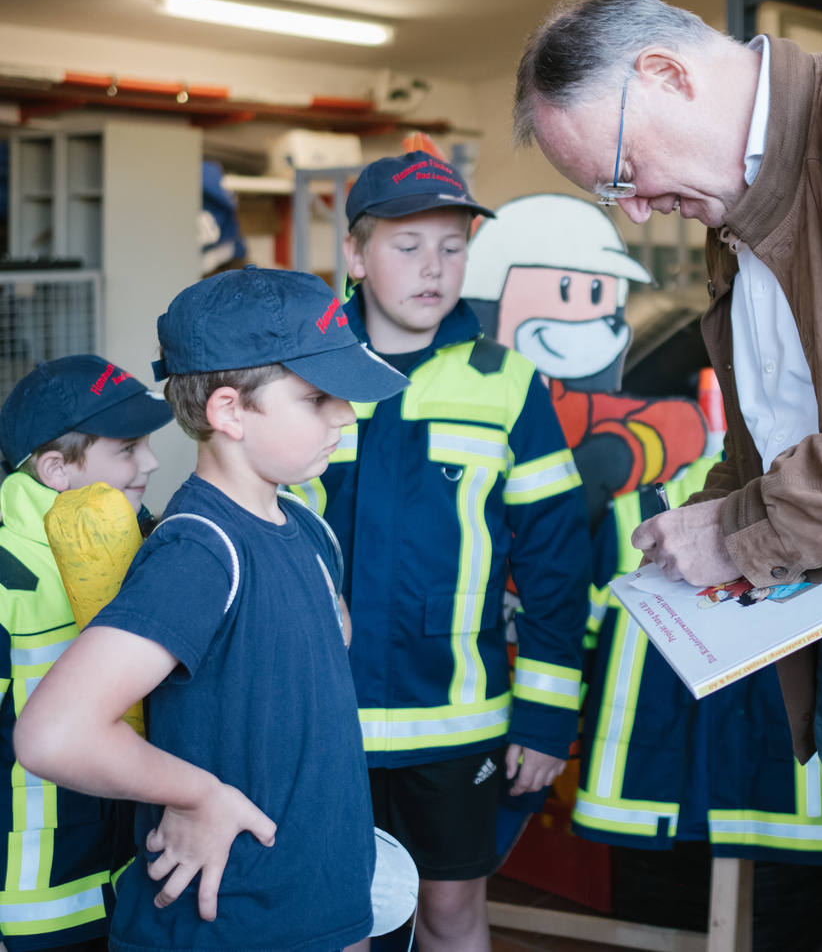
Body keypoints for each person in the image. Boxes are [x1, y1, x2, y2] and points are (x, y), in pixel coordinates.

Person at [514, 0, 822, 952]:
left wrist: (742, 528)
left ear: (667, 74)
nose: (639, 207)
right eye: (614, 195)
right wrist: (700, 522)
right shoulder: (734, 213)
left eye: (622, 173)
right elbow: (773, 437)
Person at [13, 267, 409, 952]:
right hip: (230, 929)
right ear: (228, 412)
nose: (345, 415)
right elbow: (54, 734)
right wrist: (196, 794)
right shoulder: (200, 553)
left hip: (321, 915)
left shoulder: (304, 524)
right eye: (317, 398)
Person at [293, 151, 590, 952]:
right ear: (354, 256)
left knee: (451, 915)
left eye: (452, 246)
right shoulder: (302, 380)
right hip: (324, 718)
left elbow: (559, 558)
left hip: (460, 723)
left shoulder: (509, 382)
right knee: (334, 919)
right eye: (407, 244)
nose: (434, 267)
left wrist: (546, 711)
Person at [0, 354, 172, 952]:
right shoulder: (7, 578)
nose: (150, 462)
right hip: (35, 901)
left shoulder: (142, 539)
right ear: (56, 469)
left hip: (129, 878)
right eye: (127, 448)